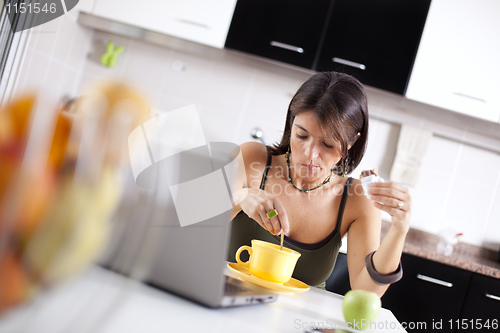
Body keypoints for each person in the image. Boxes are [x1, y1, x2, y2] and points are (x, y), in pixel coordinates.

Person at [227, 71, 411, 296]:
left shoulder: (356, 198)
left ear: (352, 142)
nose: (310, 154)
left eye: (327, 144)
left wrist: (400, 230)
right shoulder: (252, 158)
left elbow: (367, 292)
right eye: (302, 136)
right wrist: (238, 197)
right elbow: (183, 220)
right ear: (291, 123)